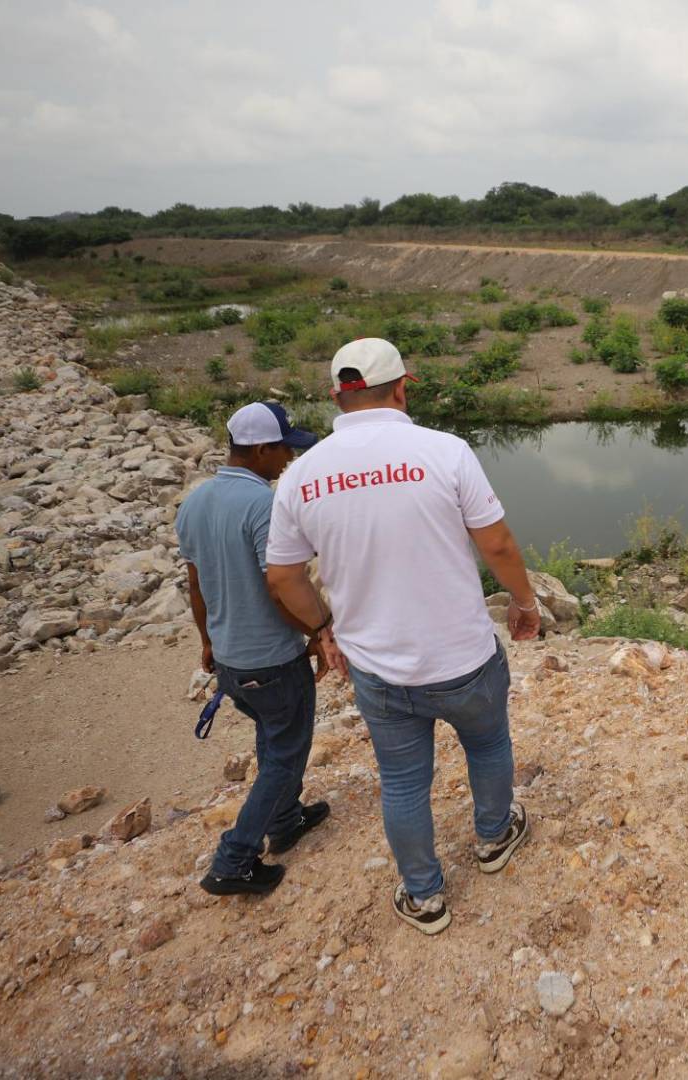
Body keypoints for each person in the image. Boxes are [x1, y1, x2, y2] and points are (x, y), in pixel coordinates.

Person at [264, 338, 538, 935]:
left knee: (404, 781)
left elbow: (282, 576)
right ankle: (494, 838)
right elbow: (496, 543)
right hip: (464, 656)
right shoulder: (445, 451)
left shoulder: (300, 475)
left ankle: (425, 895)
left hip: (380, 669)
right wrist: (524, 602)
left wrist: (323, 629)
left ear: (336, 396)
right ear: (402, 387)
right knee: (488, 744)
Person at [177, 401, 336, 897]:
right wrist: (319, 632)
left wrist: (207, 641)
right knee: (286, 754)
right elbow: (281, 587)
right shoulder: (263, 506)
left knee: (272, 737)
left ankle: (286, 820)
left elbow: (196, 584)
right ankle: (234, 859)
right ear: (262, 449)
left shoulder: (195, 503)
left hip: (230, 661)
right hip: (272, 660)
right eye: (285, 448)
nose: (290, 458)